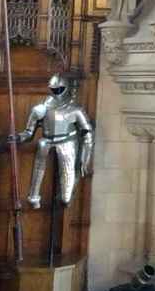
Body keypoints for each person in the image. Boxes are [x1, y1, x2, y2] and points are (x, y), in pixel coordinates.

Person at [11, 73, 94, 209]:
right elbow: (28, 132)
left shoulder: (75, 109)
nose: (56, 92)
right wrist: (18, 137)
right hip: (46, 141)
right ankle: (34, 196)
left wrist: (84, 159)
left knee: (66, 191)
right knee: (38, 167)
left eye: (59, 89)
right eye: (53, 89)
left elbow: (87, 132)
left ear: (66, 89)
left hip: (67, 141)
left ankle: (66, 197)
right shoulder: (40, 108)